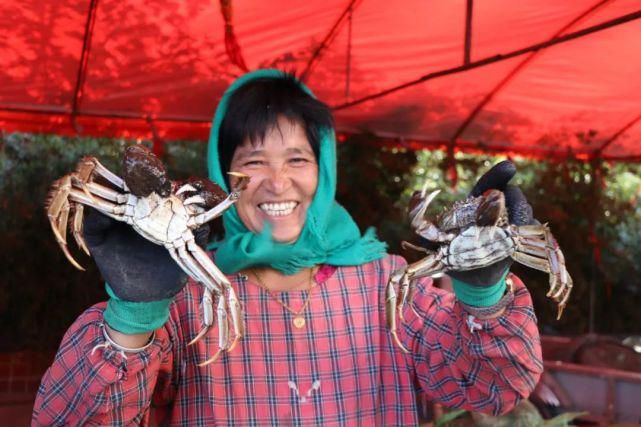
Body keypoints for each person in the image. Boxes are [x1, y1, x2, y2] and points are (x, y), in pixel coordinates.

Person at [32, 69, 543, 426]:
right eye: (252, 162)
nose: (277, 183)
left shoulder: (390, 284)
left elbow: (492, 388)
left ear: (323, 173)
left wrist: (484, 297)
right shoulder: (187, 296)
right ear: (221, 172)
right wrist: (132, 319)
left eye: (297, 159)